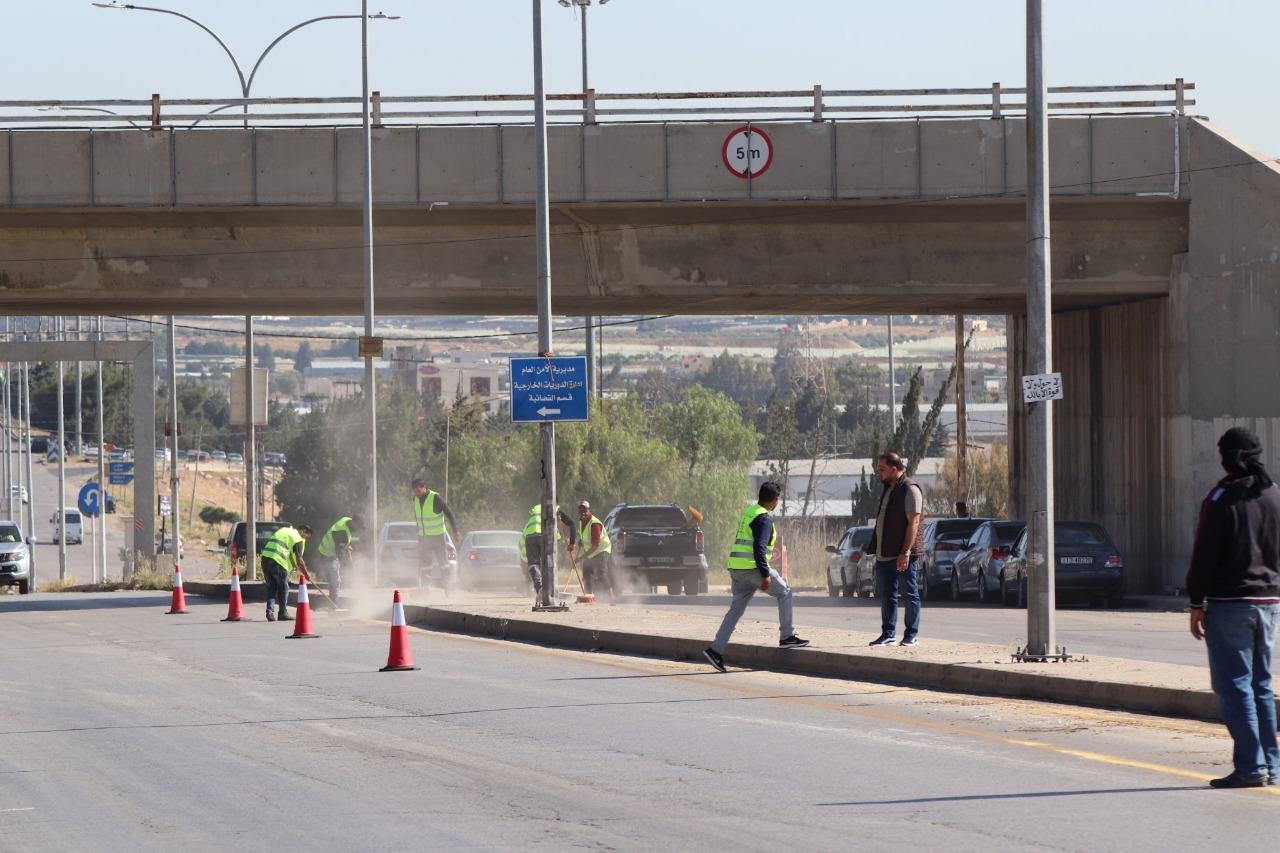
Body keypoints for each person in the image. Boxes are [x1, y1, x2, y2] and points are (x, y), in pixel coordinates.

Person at [1187, 427, 1280, 788]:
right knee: (1260, 685)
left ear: (1226, 457)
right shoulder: (1274, 495)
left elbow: (1203, 555)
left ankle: (1250, 766)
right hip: (1270, 604)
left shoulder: (1221, 497)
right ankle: (1270, 765)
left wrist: (1196, 602)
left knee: (1234, 687)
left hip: (1230, 606)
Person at [702, 481, 809, 672]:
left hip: (736, 568)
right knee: (784, 593)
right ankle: (787, 636)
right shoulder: (764, 518)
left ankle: (715, 650)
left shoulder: (750, 512)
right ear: (775, 500)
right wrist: (765, 573)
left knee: (735, 610)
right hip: (753, 569)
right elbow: (759, 547)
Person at [867, 451, 924, 647]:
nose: (878, 473)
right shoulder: (888, 488)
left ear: (893, 469)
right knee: (887, 594)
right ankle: (888, 634)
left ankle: (911, 635)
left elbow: (913, 523)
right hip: (884, 554)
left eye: (881, 469)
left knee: (910, 593)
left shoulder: (910, 489)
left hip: (902, 555)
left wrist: (905, 552)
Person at [520, 502, 577, 605]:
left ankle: (540, 588)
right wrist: (570, 542)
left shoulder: (536, 507)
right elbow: (570, 524)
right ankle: (550, 591)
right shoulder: (556, 507)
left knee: (534, 563)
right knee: (548, 562)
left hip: (530, 534)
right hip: (544, 535)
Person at [412, 479, 460, 590]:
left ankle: (448, 586)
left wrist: (455, 530)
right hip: (424, 538)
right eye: (414, 491)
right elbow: (418, 516)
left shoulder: (435, 498)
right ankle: (425, 588)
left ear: (424, 487)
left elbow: (449, 513)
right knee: (425, 564)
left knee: (443, 563)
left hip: (438, 537)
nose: (416, 494)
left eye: (418, 491)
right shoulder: (415, 499)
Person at [261, 524, 313, 623]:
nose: (306, 540)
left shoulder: (286, 530)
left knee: (271, 587)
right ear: (304, 532)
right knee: (284, 588)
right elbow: (299, 560)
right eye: (307, 537)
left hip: (265, 559)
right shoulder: (298, 538)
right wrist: (306, 574)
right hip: (278, 561)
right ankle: (282, 613)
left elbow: (287, 551)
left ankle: (270, 612)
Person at [570, 501, 616, 604]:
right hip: (592, 551)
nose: (582, 513)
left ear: (589, 510)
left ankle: (612, 599)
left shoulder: (594, 524)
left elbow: (596, 545)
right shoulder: (582, 521)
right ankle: (589, 598)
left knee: (601, 574)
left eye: (585, 511)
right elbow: (587, 537)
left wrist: (581, 558)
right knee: (586, 572)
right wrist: (582, 542)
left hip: (602, 550)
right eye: (580, 511)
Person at [316, 514, 363, 607]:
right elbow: (340, 553)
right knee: (335, 581)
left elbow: (340, 542)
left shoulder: (347, 520)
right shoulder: (342, 532)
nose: (359, 529)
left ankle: (333, 605)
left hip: (332, 553)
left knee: (335, 581)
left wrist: (346, 546)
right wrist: (349, 566)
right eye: (358, 526)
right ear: (354, 522)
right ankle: (333, 607)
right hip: (328, 555)